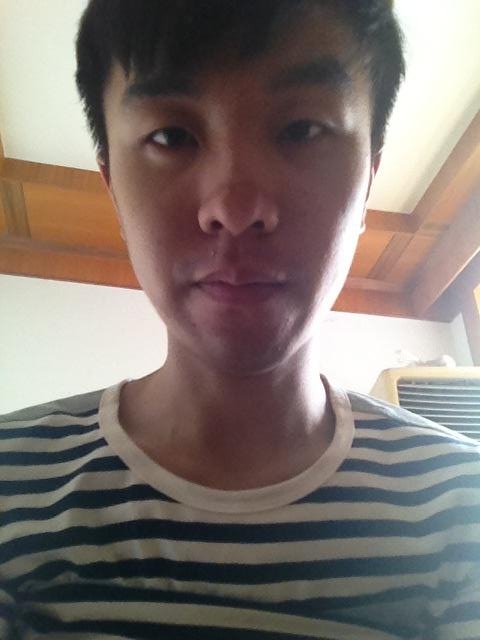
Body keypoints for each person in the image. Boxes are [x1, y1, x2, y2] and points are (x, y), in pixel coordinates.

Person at [1, 1, 479, 638]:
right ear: (113, 186)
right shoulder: (11, 486)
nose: (234, 207)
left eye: (302, 129)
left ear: (367, 182)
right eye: (172, 136)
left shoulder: (463, 506)